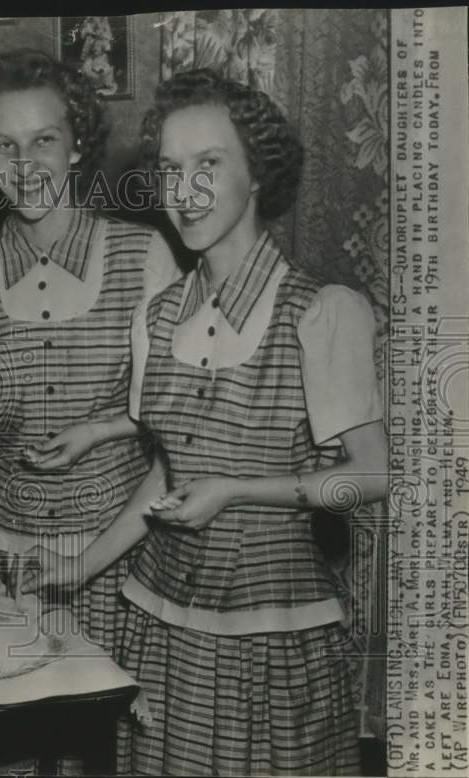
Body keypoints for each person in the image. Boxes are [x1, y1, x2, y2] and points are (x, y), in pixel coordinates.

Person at [25, 68, 387, 776]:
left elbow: (373, 478)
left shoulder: (320, 312)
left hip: (272, 644)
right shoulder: (156, 317)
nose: (183, 192)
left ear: (257, 175)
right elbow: (167, 472)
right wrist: (79, 566)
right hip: (161, 631)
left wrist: (238, 489)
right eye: (169, 169)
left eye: (208, 165)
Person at [0, 49, 179, 769]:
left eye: (44, 139)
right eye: (5, 144)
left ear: (76, 146)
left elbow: (172, 436)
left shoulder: (145, 256)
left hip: (122, 561)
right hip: (9, 571)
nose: (26, 161)